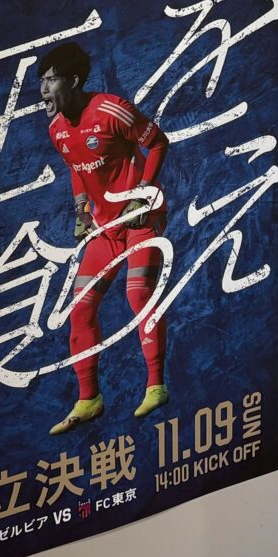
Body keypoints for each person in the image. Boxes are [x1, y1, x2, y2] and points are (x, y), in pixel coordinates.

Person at [39, 40, 170, 433]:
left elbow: (158, 142)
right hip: (105, 230)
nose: (43, 90)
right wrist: (81, 210)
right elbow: (77, 167)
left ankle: (156, 385)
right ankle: (89, 400)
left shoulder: (112, 109)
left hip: (140, 220)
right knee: (80, 308)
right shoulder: (57, 130)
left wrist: (142, 195)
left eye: (51, 80)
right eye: (41, 81)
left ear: (74, 81)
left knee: (138, 294)